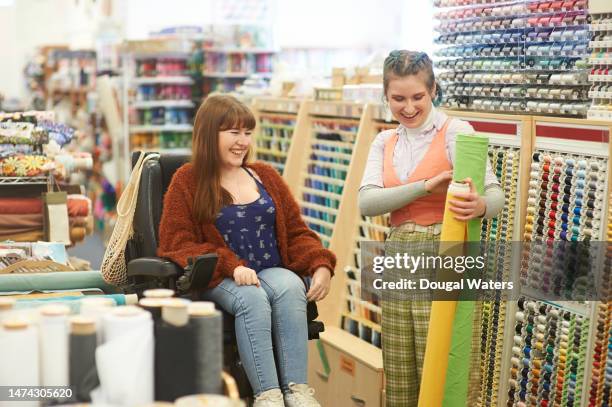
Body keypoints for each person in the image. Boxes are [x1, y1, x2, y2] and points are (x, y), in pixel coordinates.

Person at [158, 94, 336, 407]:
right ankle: (268, 396)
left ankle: (297, 393)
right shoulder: (187, 180)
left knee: (292, 285)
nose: (243, 142)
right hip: (221, 277)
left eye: (247, 133)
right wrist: (230, 265)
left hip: (270, 269)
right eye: (233, 133)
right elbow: (177, 241)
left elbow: (296, 232)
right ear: (208, 134)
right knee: (252, 297)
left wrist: (321, 263)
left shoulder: (264, 175)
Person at [358, 50, 504, 407]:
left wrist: (482, 205)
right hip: (397, 260)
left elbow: (496, 195)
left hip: (445, 257)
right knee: (401, 368)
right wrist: (425, 186)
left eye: (417, 97)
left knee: (443, 367)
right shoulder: (384, 142)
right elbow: (367, 203)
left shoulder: (457, 133)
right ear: (386, 96)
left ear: (433, 89)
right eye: (398, 98)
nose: (408, 107)